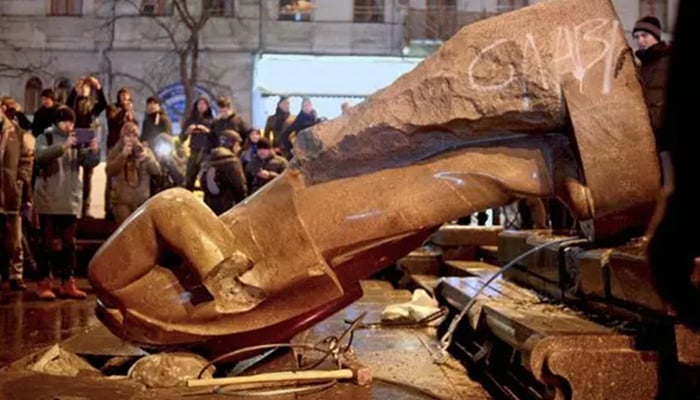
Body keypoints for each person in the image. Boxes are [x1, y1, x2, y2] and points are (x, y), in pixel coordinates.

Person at [33, 106, 100, 300]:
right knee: (46, 243)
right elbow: (40, 156)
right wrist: (64, 145)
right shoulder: (45, 138)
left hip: (70, 199)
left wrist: (94, 151)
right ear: (57, 121)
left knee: (69, 243)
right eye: (65, 121)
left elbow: (87, 163)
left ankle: (67, 282)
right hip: (48, 198)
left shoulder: (76, 140)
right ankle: (44, 282)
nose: (69, 125)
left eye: (72, 122)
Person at [632, 16, 672, 184]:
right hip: (648, 141)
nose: (640, 41)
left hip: (666, 140)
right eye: (637, 37)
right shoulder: (641, 67)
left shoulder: (668, 61)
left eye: (645, 36)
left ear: (656, 36)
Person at [0, 104, 33, 291]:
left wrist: (20, 179)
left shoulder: (17, 133)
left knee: (15, 238)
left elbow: (27, 159)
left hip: (11, 190)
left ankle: (16, 274)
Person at [66, 76, 107, 218]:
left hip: (89, 141)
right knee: (72, 175)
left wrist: (98, 87)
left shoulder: (93, 105)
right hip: (75, 140)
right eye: (82, 88)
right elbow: (66, 106)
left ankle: (86, 208)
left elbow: (103, 104)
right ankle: (72, 207)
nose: (84, 90)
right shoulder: (73, 104)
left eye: (86, 88)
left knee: (88, 177)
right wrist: (74, 91)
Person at [107, 122, 161, 224]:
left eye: (134, 136)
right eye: (128, 136)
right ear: (122, 137)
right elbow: (109, 171)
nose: (131, 139)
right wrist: (122, 156)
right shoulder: (116, 151)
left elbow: (157, 171)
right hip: (121, 202)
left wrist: (147, 159)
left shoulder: (144, 150)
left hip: (141, 202)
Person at [199, 130, 247, 215]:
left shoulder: (209, 159)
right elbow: (239, 186)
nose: (239, 148)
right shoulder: (232, 162)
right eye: (238, 145)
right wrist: (243, 205)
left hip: (209, 205)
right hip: (228, 205)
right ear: (232, 145)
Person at [181, 96, 215, 191]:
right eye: (199, 104)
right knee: (189, 180)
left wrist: (207, 131)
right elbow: (181, 138)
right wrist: (187, 131)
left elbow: (215, 139)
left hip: (207, 153)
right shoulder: (190, 120)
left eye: (204, 104)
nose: (201, 106)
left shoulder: (212, 121)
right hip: (194, 152)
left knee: (207, 181)